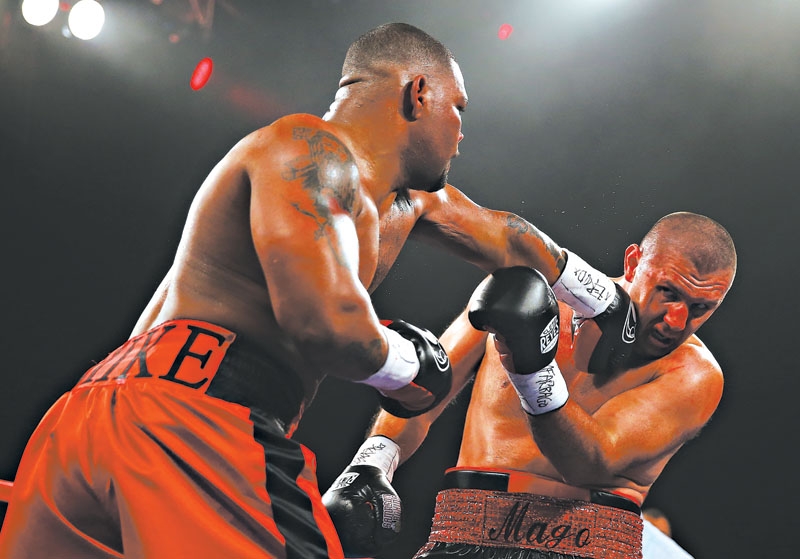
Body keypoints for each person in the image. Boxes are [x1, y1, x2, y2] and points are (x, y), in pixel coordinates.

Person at [0, 22, 573, 559]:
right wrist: (413, 367)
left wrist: (605, 297)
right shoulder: (311, 149)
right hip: (191, 424)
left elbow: (504, 236)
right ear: (418, 94)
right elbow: (325, 324)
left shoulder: (393, 197)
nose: (462, 131)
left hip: (87, 422)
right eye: (458, 108)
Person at [324, 211, 736, 559]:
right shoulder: (530, 295)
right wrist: (372, 463)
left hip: (584, 545)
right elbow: (429, 385)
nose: (677, 321)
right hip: (463, 533)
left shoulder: (693, 373)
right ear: (633, 263)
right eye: (668, 293)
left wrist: (531, 368)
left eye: (702, 309)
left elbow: (589, 462)